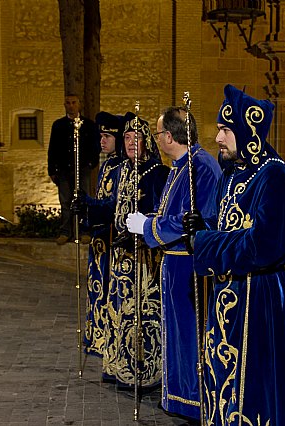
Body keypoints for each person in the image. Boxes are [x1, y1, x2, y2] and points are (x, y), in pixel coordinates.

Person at [182, 85, 285, 425]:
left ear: (247, 132)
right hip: (227, 296)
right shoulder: (233, 172)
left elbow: (263, 245)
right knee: (223, 381)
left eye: (225, 130)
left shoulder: (275, 178)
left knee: (256, 386)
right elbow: (224, 226)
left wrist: (203, 241)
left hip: (259, 300)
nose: (218, 138)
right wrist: (201, 227)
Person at [125, 106, 221, 420]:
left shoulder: (201, 166)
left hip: (189, 265)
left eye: (157, 133)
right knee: (176, 334)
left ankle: (194, 400)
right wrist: (149, 219)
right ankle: (178, 397)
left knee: (191, 334)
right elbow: (171, 211)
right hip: (174, 265)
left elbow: (196, 219)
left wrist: (149, 226)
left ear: (169, 136)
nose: (156, 139)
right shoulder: (180, 166)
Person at [74, 112, 169, 388]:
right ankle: (120, 366)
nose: (129, 142)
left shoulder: (158, 173)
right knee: (119, 312)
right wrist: (88, 205)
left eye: (135, 137)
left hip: (144, 259)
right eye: (126, 137)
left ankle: (144, 371)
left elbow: (160, 215)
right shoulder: (123, 170)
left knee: (142, 315)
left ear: (146, 141)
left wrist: (141, 229)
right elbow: (111, 208)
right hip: (120, 259)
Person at [82, 111, 124, 357]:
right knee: (96, 287)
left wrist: (89, 205)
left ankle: (108, 338)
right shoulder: (107, 164)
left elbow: (113, 205)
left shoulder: (122, 167)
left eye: (107, 136)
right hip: (99, 240)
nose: (102, 140)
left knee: (108, 288)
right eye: (101, 136)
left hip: (111, 239)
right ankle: (96, 335)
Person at [48, 94, 100, 245]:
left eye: (73, 102)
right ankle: (65, 232)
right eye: (68, 103)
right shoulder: (58, 125)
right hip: (64, 170)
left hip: (82, 169)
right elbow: (53, 148)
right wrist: (52, 170)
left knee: (83, 200)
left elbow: (95, 147)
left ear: (79, 104)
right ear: (64, 105)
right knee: (65, 201)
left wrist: (90, 164)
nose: (71, 106)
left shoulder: (89, 125)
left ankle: (84, 231)